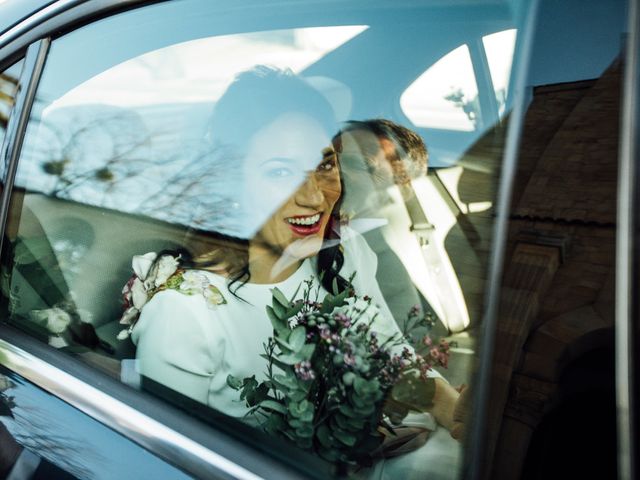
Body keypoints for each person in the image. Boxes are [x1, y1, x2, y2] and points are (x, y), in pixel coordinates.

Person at [127, 67, 462, 449]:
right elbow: (172, 460)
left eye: (324, 166)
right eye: (280, 171)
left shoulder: (345, 250)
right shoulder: (185, 314)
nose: (315, 197)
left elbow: (386, 348)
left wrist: (450, 406)